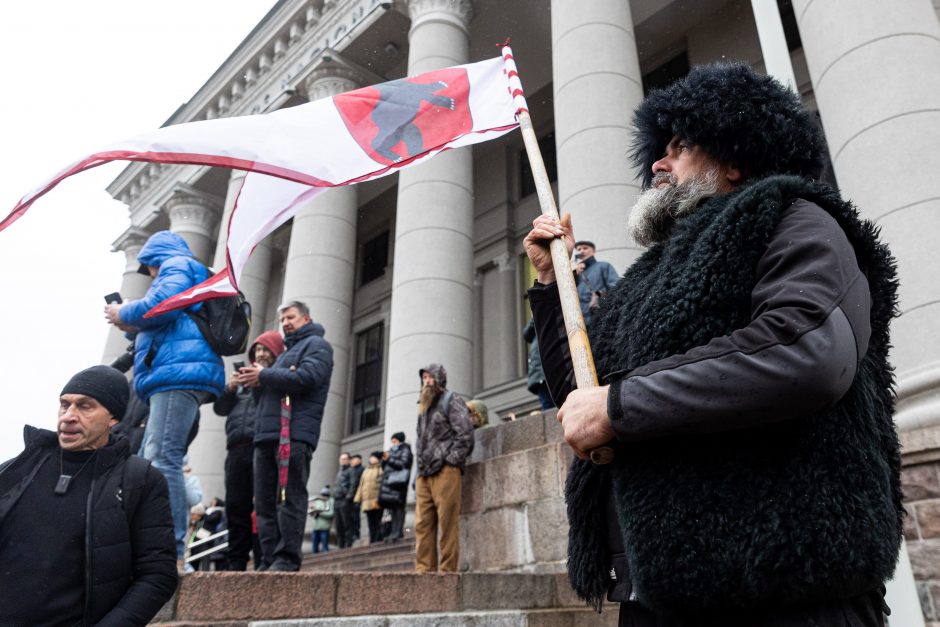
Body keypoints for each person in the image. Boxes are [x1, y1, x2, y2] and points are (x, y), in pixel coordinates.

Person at [523, 63, 901, 626]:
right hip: (657, 595)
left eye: (680, 145)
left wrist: (620, 405)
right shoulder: (651, 277)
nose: (657, 162)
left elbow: (805, 352)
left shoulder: (796, 221)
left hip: (781, 595)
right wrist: (555, 288)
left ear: (733, 160)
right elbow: (586, 393)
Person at [0, 365, 177, 625]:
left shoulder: (139, 480)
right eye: (64, 405)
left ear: (113, 417)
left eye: (85, 406)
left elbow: (158, 574)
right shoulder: (15, 469)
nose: (68, 416)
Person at [103, 230, 225, 567]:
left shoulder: (177, 264)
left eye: (148, 268)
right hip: (174, 371)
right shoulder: (183, 266)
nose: (150, 275)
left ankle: (171, 553)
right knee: (146, 464)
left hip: (178, 372)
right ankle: (150, 547)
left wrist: (125, 313)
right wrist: (131, 324)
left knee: (162, 459)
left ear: (154, 257)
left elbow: (163, 305)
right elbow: (169, 314)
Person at [238, 300, 334, 571]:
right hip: (266, 436)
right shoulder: (283, 355)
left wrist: (266, 375)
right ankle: (268, 559)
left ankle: (287, 559)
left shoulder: (317, 346)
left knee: (290, 498)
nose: (286, 323)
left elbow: (307, 378)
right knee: (265, 504)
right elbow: (270, 394)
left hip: (294, 435)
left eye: (291, 317)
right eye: (283, 320)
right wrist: (261, 379)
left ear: (306, 318)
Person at [213, 329, 285, 571]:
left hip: (261, 446)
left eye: (266, 350)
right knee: (235, 507)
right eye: (258, 351)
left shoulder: (272, 379)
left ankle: (265, 558)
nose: (261, 354)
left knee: (264, 507)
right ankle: (236, 562)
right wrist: (231, 388)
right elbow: (220, 409)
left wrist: (262, 379)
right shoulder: (241, 383)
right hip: (235, 449)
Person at [413, 364, 474, 572]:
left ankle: (447, 572)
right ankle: (423, 572)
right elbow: (420, 441)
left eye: (430, 377)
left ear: (439, 379)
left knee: (447, 523)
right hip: (423, 474)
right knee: (422, 525)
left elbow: (465, 434)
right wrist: (418, 470)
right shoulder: (423, 407)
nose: (426, 381)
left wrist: (450, 460)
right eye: (424, 378)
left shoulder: (452, 400)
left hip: (445, 471)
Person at [571, 240, 619, 329]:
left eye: (585, 248)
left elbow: (616, 288)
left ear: (593, 251)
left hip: (600, 319)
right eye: (579, 249)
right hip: (580, 325)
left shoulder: (604, 266)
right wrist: (574, 275)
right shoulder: (575, 274)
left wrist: (599, 295)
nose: (581, 251)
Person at [379, 431, 413, 542]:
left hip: (399, 484)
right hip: (390, 484)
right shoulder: (391, 452)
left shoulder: (405, 450)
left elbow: (404, 464)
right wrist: (384, 461)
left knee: (399, 508)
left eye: (394, 441)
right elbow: (386, 468)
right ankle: (393, 532)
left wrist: (389, 459)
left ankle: (398, 531)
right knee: (393, 509)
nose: (393, 443)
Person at [354, 451, 385, 544]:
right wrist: (357, 499)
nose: (371, 459)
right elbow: (361, 486)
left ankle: (378, 538)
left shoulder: (381, 469)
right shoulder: (366, 471)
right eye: (371, 457)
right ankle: (372, 539)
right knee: (370, 521)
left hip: (377, 499)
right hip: (366, 501)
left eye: (373, 457)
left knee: (378, 520)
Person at [523, 317, 553, 410]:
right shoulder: (537, 334)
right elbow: (527, 333)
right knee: (547, 404)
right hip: (541, 373)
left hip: (548, 371)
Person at [332, 451, 354, 548]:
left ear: (349, 460)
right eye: (341, 459)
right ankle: (340, 545)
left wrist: (348, 496)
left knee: (347, 524)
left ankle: (348, 544)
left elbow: (353, 485)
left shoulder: (351, 471)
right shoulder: (339, 472)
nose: (343, 461)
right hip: (337, 500)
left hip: (344, 500)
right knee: (338, 525)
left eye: (345, 459)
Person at [308, 486, 335, 553]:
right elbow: (312, 511)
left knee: (325, 546)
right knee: (314, 547)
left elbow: (331, 513)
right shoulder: (317, 501)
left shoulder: (330, 501)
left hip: (325, 527)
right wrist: (313, 512)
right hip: (316, 526)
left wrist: (320, 513)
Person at [348, 453, 364, 545]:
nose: (352, 462)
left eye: (354, 460)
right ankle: (353, 535)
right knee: (351, 517)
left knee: (356, 517)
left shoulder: (362, 470)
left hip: (357, 497)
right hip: (351, 497)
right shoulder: (351, 471)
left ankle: (356, 534)